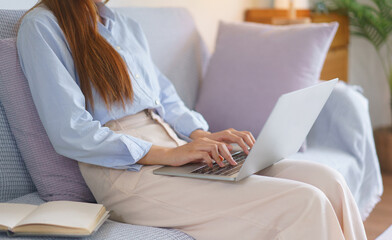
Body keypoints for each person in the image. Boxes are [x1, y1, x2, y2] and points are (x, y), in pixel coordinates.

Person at [17, 0, 367, 239]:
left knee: (327, 179)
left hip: (173, 146)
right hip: (123, 172)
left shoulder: (123, 25)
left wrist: (205, 135)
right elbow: (69, 132)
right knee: (304, 201)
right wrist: (168, 155)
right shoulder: (42, 27)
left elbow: (165, 99)